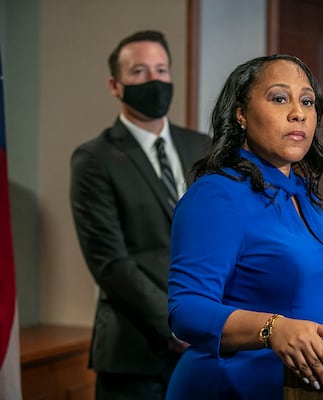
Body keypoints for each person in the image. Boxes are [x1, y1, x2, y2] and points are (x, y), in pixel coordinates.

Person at [166, 54, 323, 399]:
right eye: (280, 98)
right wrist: (272, 329)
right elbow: (186, 309)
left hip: (298, 387)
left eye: (307, 101)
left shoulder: (302, 193)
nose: (298, 112)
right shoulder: (217, 195)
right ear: (241, 113)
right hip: (231, 385)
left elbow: (308, 294)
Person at [70, 30, 212, 399]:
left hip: (210, 344)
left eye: (162, 70)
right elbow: (110, 264)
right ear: (115, 85)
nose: (154, 80)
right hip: (135, 354)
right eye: (139, 72)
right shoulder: (94, 159)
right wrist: (175, 324)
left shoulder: (203, 147)